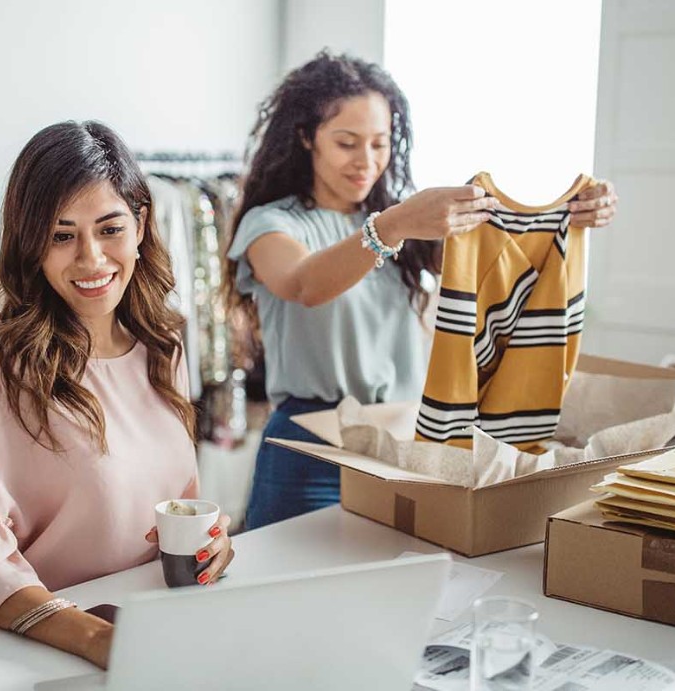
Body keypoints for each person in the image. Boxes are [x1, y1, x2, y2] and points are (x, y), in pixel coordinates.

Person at [226, 52, 619, 530]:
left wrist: (571, 214)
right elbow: (305, 284)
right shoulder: (272, 223)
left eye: (379, 143)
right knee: (287, 591)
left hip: (403, 444)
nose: (366, 162)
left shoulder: (406, 224)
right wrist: (393, 226)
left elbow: (501, 259)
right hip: (310, 449)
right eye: (347, 143)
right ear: (307, 137)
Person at [0, 121, 234, 669]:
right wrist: (99, 641)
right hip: (43, 652)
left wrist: (213, 545)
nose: (91, 260)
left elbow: (175, 508)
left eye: (109, 229)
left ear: (141, 224)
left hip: (157, 632)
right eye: (62, 235)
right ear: (32, 244)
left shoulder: (163, 343)